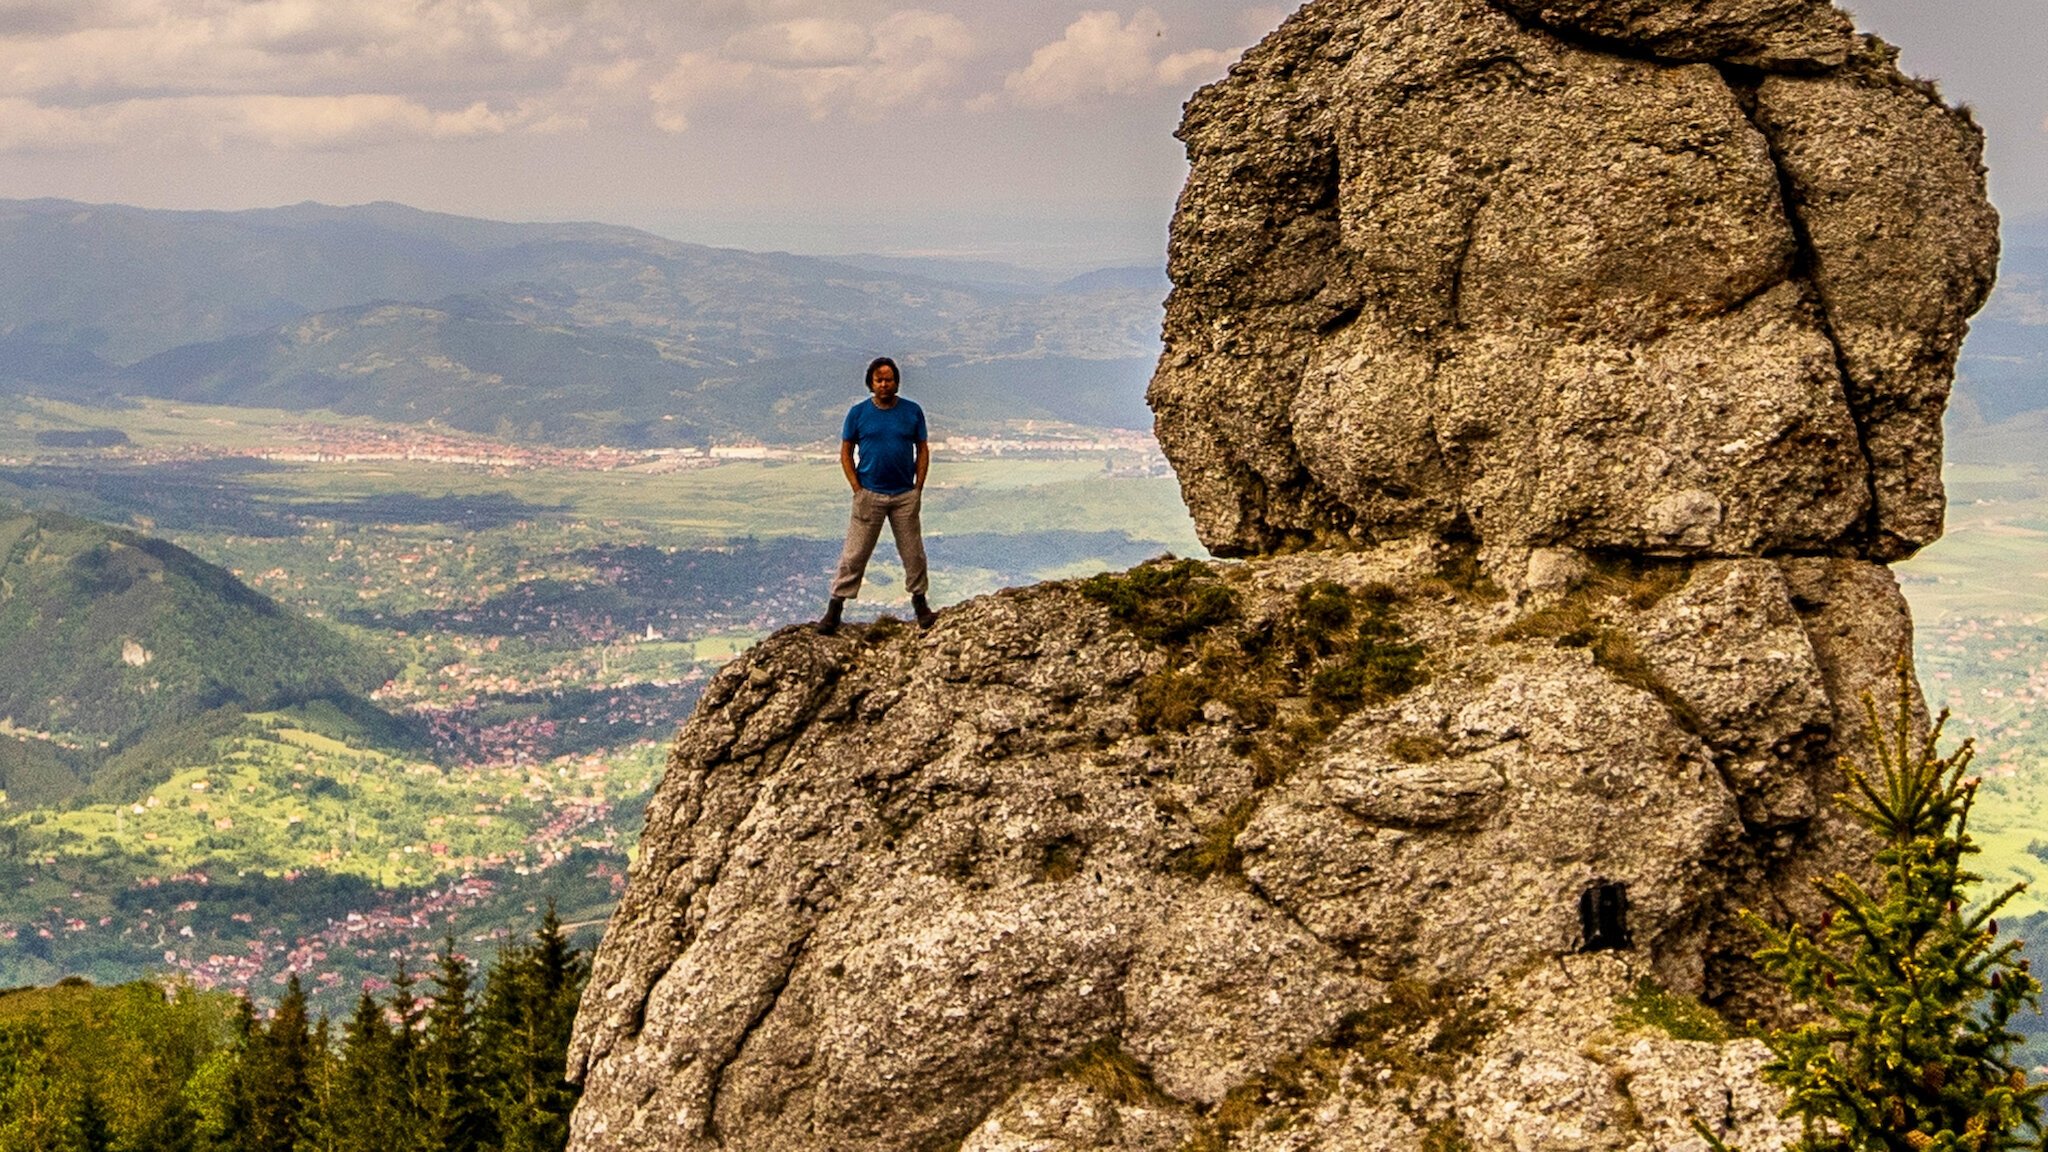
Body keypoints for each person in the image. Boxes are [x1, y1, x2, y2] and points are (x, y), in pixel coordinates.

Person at [817, 356, 936, 634]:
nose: (884, 384)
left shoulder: (912, 412)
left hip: (904, 495)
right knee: (854, 555)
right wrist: (857, 489)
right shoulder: (858, 414)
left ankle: (920, 605)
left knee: (914, 554)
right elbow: (846, 452)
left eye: (889, 379)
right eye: (879, 380)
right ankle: (834, 610)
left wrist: (918, 488)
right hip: (869, 494)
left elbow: (922, 449)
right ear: (871, 383)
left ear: (896, 382)